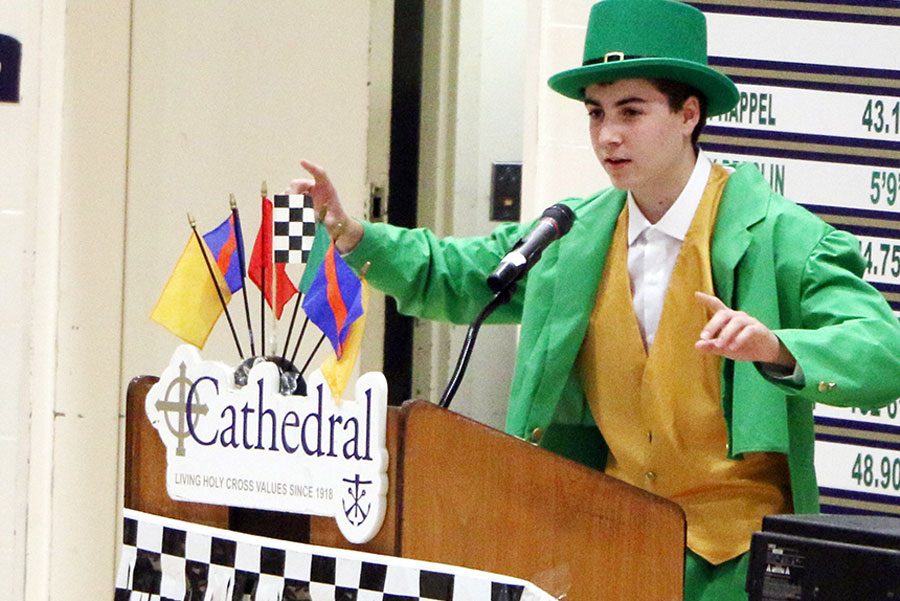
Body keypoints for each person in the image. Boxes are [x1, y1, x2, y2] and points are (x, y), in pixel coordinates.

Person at [289, 1, 900, 599]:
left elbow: (882, 351)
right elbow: (460, 274)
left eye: (631, 112)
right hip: (605, 545)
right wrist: (354, 235)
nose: (608, 135)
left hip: (736, 565)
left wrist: (778, 347)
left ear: (689, 113)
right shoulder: (571, 236)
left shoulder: (778, 236)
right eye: (595, 113)